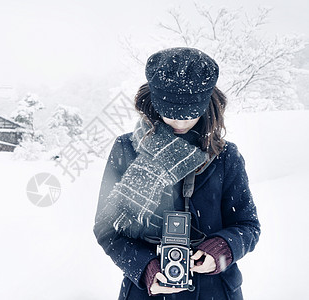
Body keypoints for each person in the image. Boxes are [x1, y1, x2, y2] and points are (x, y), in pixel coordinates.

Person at [93, 47, 260, 300]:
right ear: (154, 103)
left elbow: (248, 226)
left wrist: (220, 251)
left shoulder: (225, 156)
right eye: (170, 115)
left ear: (206, 106)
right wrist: (145, 268)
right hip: (147, 292)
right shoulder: (127, 149)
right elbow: (106, 228)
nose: (180, 124)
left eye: (191, 115)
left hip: (214, 291)